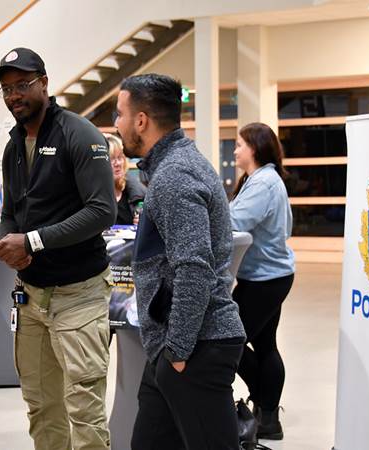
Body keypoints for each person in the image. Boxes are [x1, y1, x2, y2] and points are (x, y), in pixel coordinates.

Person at [0, 47, 117, 450]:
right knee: (42, 406)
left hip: (79, 295)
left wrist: (33, 241)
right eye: (6, 89)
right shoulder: (13, 146)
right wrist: (15, 243)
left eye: (23, 85)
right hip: (30, 298)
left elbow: (102, 211)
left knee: (84, 410)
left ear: (45, 83)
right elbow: (11, 211)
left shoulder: (79, 135)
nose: (14, 95)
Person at [115, 73, 246, 449]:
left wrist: (178, 351)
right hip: (174, 348)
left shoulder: (175, 175)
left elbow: (194, 267)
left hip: (196, 347)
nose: (117, 124)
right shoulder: (174, 165)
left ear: (142, 120)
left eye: (120, 114)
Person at [230, 122, 295, 440]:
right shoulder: (261, 179)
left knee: (229, 340)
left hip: (265, 279)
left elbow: (233, 220)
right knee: (266, 345)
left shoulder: (264, 183)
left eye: (239, 144)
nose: (235, 150)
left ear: (254, 148)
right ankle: (268, 418)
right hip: (270, 275)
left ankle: (265, 402)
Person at [105, 133, 145, 225]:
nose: (117, 163)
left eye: (120, 158)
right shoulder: (90, 194)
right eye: (111, 159)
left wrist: (143, 224)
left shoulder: (140, 194)